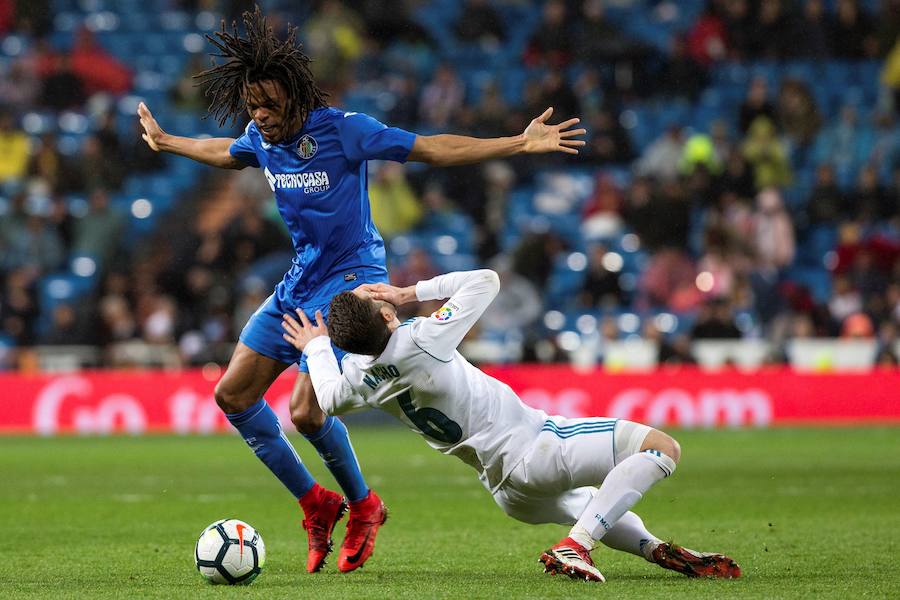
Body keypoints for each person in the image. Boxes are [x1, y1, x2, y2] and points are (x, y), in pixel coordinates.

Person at [136, 7, 585, 575]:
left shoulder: (344, 130)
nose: (260, 115)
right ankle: (316, 502)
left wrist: (518, 144)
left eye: (269, 104)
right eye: (252, 106)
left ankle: (364, 505)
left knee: (306, 410)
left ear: (295, 96)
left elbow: (430, 148)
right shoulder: (259, 138)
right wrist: (167, 141)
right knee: (232, 396)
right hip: (301, 279)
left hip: (351, 277)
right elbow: (226, 152)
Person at [281, 269, 741, 583]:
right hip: (537, 448)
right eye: (376, 298)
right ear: (385, 314)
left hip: (507, 491)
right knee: (662, 449)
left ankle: (655, 549)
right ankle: (576, 546)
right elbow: (486, 280)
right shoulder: (421, 337)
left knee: (588, 504)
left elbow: (328, 399)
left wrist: (316, 348)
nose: (381, 294)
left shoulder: (358, 378)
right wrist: (408, 292)